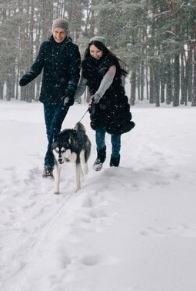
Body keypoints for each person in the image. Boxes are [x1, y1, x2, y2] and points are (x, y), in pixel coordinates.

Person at [19, 18, 81, 177]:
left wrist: (69, 92)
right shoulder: (46, 46)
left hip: (64, 97)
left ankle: (48, 166)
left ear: (66, 33)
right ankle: (61, 148)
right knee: (50, 131)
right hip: (48, 95)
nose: (58, 35)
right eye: (56, 32)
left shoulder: (72, 49)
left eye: (61, 32)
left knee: (53, 129)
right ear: (52, 31)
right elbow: (37, 66)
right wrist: (28, 77)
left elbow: (75, 74)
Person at [75, 36, 134, 170]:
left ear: (103, 50)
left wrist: (98, 95)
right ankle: (100, 157)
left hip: (115, 102)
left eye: (98, 51)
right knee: (99, 131)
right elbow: (81, 86)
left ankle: (115, 160)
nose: (95, 54)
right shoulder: (86, 64)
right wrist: (72, 99)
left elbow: (107, 80)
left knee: (115, 132)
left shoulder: (111, 62)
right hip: (98, 104)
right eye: (92, 51)